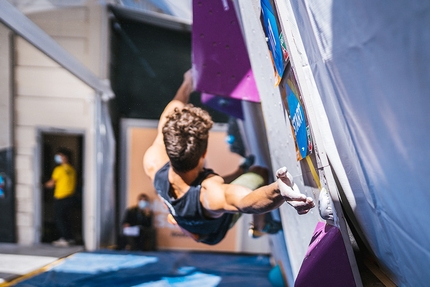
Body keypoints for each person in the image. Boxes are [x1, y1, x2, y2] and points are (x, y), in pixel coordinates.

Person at [143, 69, 315, 245]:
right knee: (259, 172)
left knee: (211, 182)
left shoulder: (153, 161)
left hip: (185, 216)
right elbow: (245, 201)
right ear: (204, 153)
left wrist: (187, 83)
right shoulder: (209, 195)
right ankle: (261, 225)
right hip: (212, 233)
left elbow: (170, 114)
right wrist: (279, 190)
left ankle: (239, 171)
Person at [44, 148, 76, 247]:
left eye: (60, 156)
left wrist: (42, 185)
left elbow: (51, 183)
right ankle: (70, 238)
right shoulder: (72, 169)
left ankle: (65, 238)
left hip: (61, 197)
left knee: (60, 219)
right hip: (70, 197)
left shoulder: (59, 169)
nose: (58, 158)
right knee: (66, 218)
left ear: (65, 158)